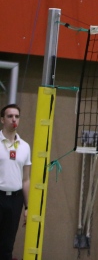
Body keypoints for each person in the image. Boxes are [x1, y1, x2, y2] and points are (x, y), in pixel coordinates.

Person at [0, 104, 30, 260]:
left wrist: (27, 206)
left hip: (15, 200)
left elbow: (26, 179)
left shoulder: (24, 147)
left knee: (7, 244)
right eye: (10, 116)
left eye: (17, 116)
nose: (14, 119)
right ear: (2, 119)